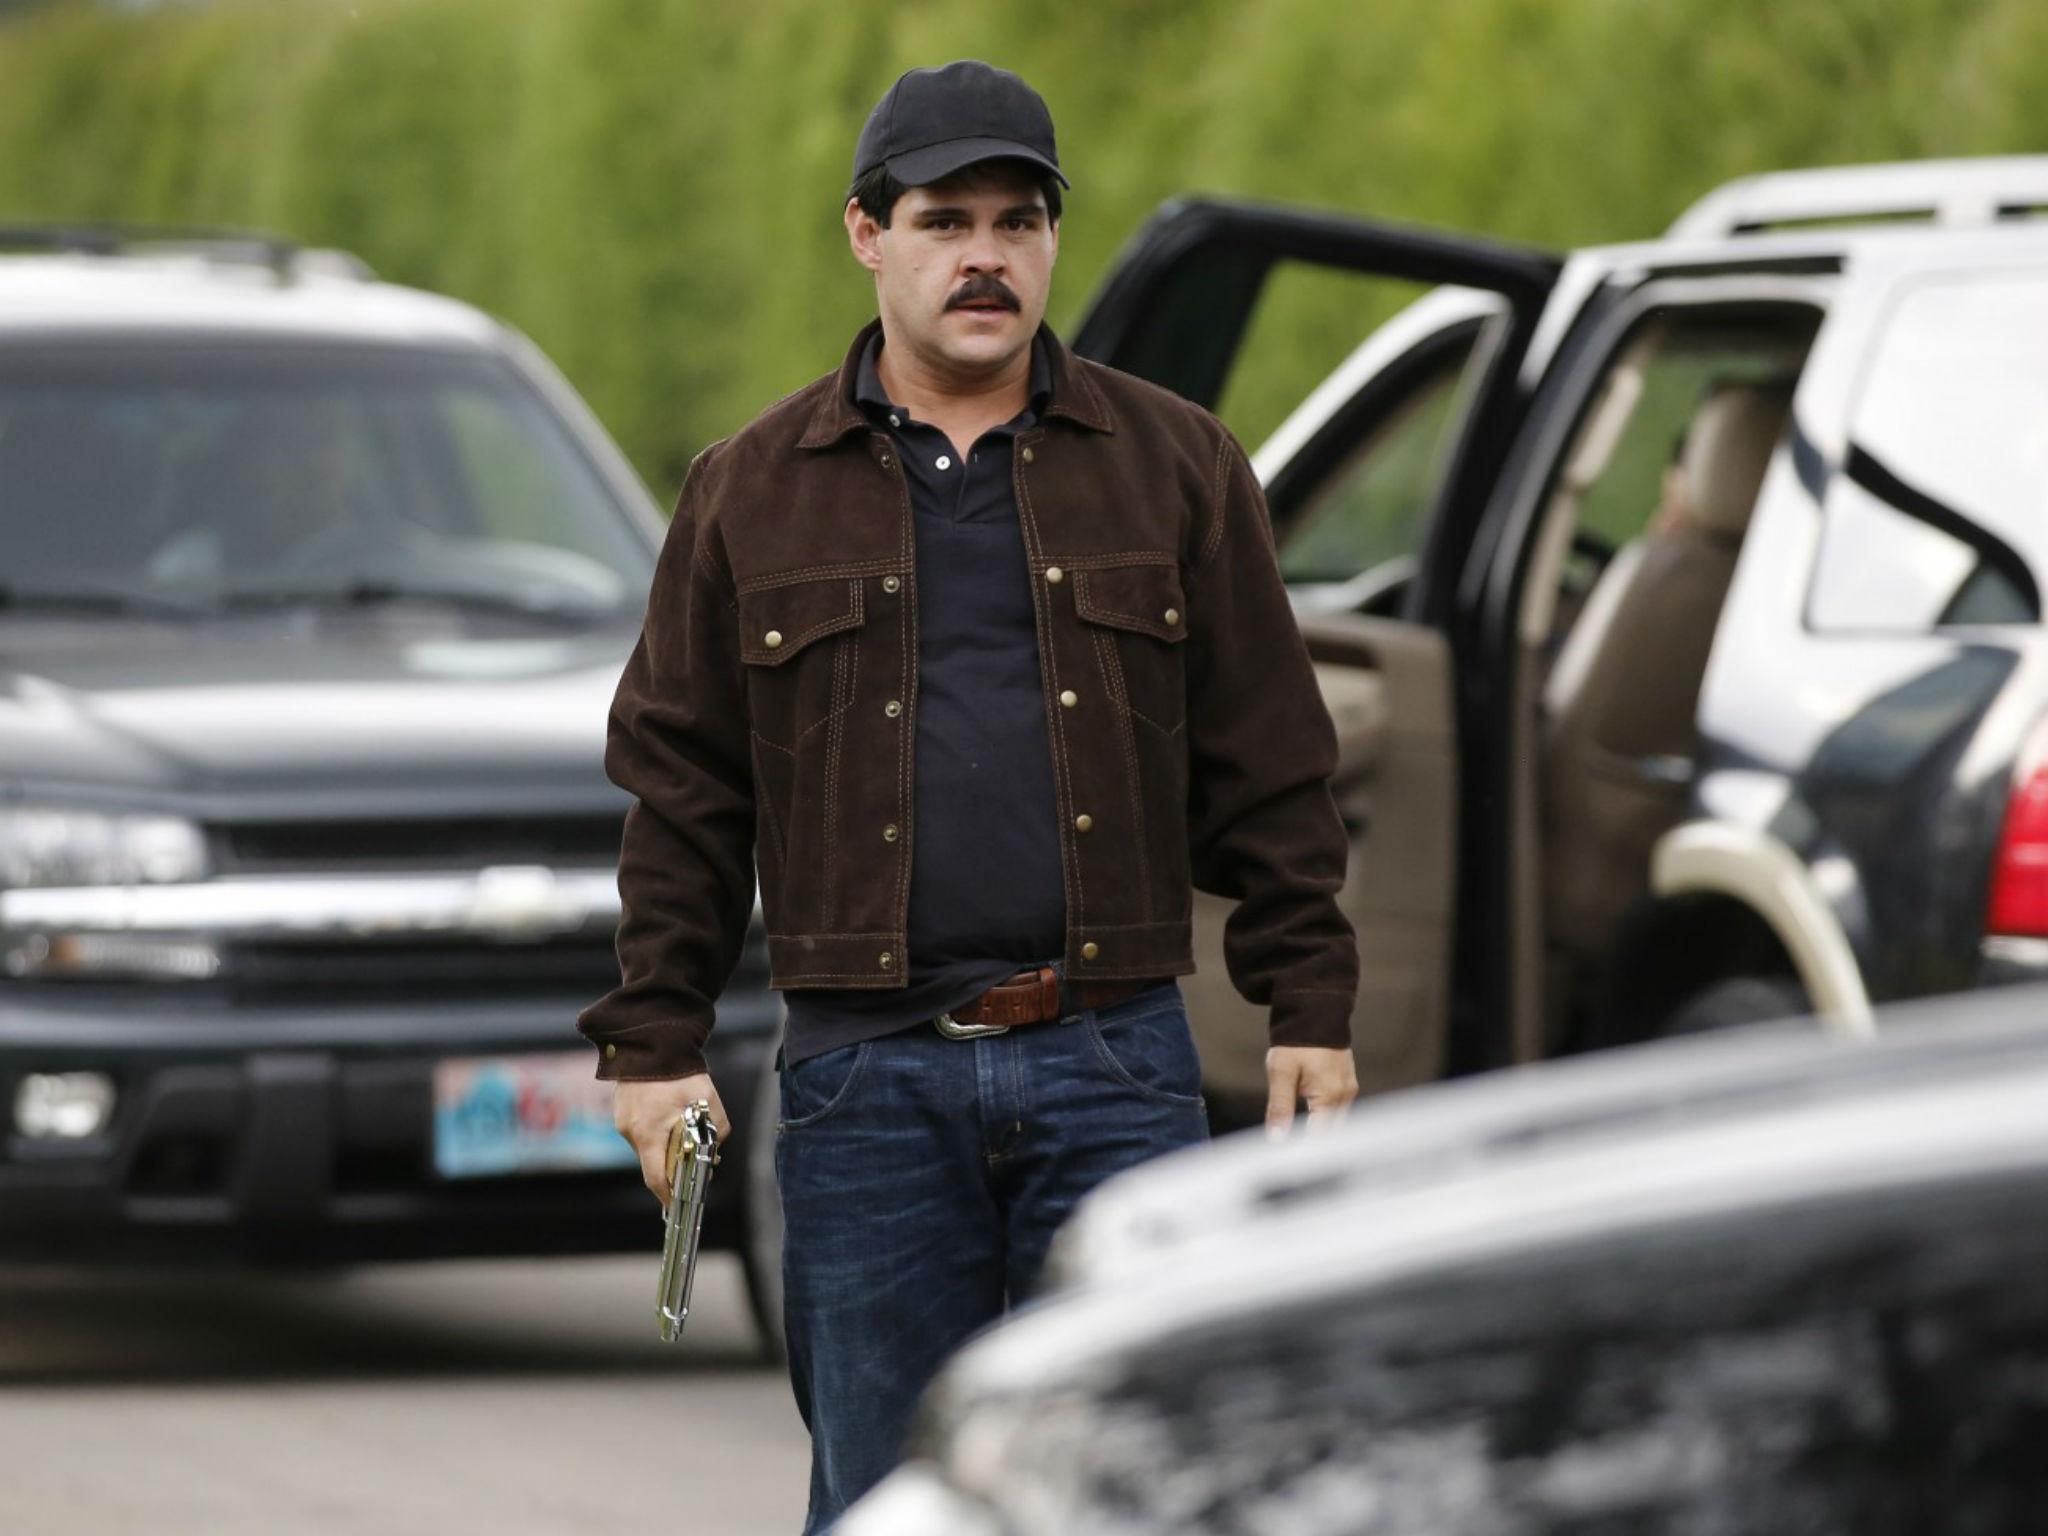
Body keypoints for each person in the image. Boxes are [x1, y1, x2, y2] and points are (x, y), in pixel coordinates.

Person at [577, 58, 1362, 1532]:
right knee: (886, 1497)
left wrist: (1309, 1005)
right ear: (869, 235)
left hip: (1114, 1065)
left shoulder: (1178, 467)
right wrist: (652, 1038)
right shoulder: (749, 490)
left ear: (1056, 239)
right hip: (865, 1082)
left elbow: (1275, 757)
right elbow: (682, 784)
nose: (986, 256)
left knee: (1132, 1483)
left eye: (1018, 219)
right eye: (946, 220)